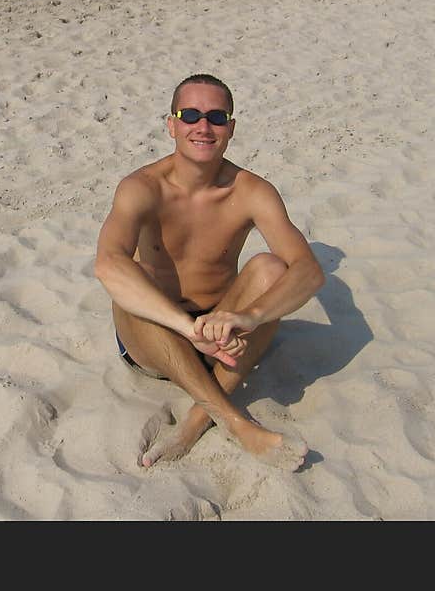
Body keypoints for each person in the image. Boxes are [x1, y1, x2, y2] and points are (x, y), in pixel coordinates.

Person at [94, 73, 325, 471]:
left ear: (231, 128)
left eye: (217, 117)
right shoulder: (142, 187)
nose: (204, 126)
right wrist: (188, 329)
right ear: (172, 125)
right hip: (159, 339)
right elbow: (107, 263)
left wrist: (246, 316)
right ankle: (233, 422)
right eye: (190, 115)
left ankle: (197, 419)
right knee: (131, 280)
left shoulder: (251, 190)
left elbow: (309, 271)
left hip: (225, 336)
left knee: (270, 268)